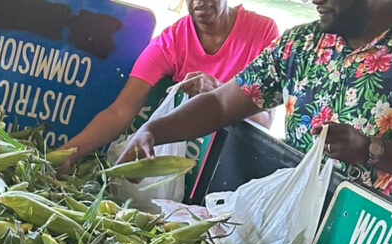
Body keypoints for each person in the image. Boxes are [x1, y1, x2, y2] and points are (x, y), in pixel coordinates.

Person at [118, 0, 392, 207]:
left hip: (360, 237)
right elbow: (223, 103)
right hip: (286, 218)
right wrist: (154, 130)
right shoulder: (302, 44)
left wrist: (371, 149)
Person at [61, 0, 279, 165]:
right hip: (184, 168)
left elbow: (265, 120)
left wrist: (219, 89)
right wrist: (68, 154)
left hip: (230, 164)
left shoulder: (262, 33)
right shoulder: (171, 42)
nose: (200, 2)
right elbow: (120, 111)